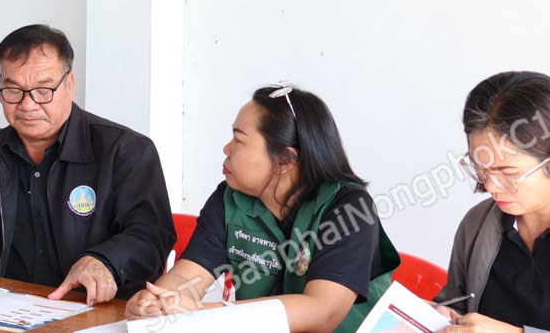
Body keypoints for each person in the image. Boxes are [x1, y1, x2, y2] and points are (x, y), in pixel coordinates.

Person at [0, 24, 175, 305]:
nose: (27, 104)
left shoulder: (124, 151)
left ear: (70, 85)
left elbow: (151, 236)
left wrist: (105, 261)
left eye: (43, 90)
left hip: (92, 313)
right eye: (13, 90)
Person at [126, 83, 400, 333]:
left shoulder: (349, 209)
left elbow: (321, 312)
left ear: (285, 161)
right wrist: (156, 302)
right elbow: (187, 276)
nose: (226, 148)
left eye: (239, 140)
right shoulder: (229, 199)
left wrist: (203, 314)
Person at [436, 71, 550, 333]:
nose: (490, 186)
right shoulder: (478, 224)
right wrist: (440, 318)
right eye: (481, 169)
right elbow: (457, 306)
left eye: (507, 172)